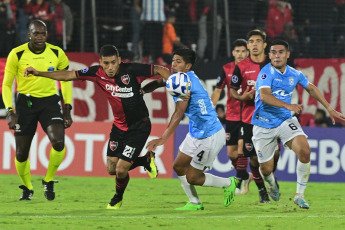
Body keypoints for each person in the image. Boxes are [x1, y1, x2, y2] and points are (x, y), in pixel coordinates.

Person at [24, 44, 169, 209]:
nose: (110, 67)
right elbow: (68, 75)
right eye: (106, 63)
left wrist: (173, 81)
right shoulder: (96, 73)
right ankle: (145, 160)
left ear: (119, 61)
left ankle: (117, 198)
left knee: (121, 169)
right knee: (111, 169)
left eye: (113, 62)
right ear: (100, 62)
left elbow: (158, 69)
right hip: (119, 127)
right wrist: (39, 73)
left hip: (139, 127)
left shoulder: (131, 69)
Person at [252, 39, 345, 209]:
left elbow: (311, 88)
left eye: (281, 52)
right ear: (269, 55)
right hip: (263, 125)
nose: (277, 55)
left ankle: (299, 195)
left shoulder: (294, 73)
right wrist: (288, 105)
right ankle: (271, 183)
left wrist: (329, 109)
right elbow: (264, 96)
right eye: (273, 52)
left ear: (287, 54)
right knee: (266, 170)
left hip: (285, 120)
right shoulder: (266, 73)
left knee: (305, 151)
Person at [145, 48, 239, 210]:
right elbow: (161, 81)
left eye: (178, 62)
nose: (173, 64)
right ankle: (194, 202)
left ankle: (229, 182)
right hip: (197, 131)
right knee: (179, 166)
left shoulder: (184, 84)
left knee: (193, 177)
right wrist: (142, 90)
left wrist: (162, 139)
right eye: (173, 60)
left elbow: (178, 113)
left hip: (210, 134)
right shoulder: (182, 78)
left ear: (188, 66)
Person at [2, 20, 73, 201]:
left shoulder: (57, 53)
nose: (40, 37)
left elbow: (65, 80)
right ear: (29, 34)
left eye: (43, 33)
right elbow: (7, 84)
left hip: (49, 102)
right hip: (26, 104)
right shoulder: (16, 54)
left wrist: (67, 108)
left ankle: (48, 180)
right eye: (36, 33)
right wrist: (10, 111)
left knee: (58, 142)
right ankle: (27, 187)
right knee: (21, 153)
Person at [229, 29, 280, 203]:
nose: (254, 44)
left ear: (265, 45)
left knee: (274, 155)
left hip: (272, 118)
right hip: (249, 119)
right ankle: (262, 191)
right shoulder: (241, 66)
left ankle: (270, 178)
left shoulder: (274, 64)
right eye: (251, 41)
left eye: (258, 41)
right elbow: (233, 91)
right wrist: (242, 97)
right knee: (252, 157)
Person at [211, 39, 252, 195]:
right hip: (232, 115)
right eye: (237, 51)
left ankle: (239, 183)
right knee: (231, 153)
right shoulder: (226, 69)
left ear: (247, 52)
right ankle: (245, 176)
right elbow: (217, 91)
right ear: (233, 52)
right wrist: (209, 108)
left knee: (241, 149)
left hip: (248, 115)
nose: (240, 54)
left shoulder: (252, 68)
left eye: (243, 51)